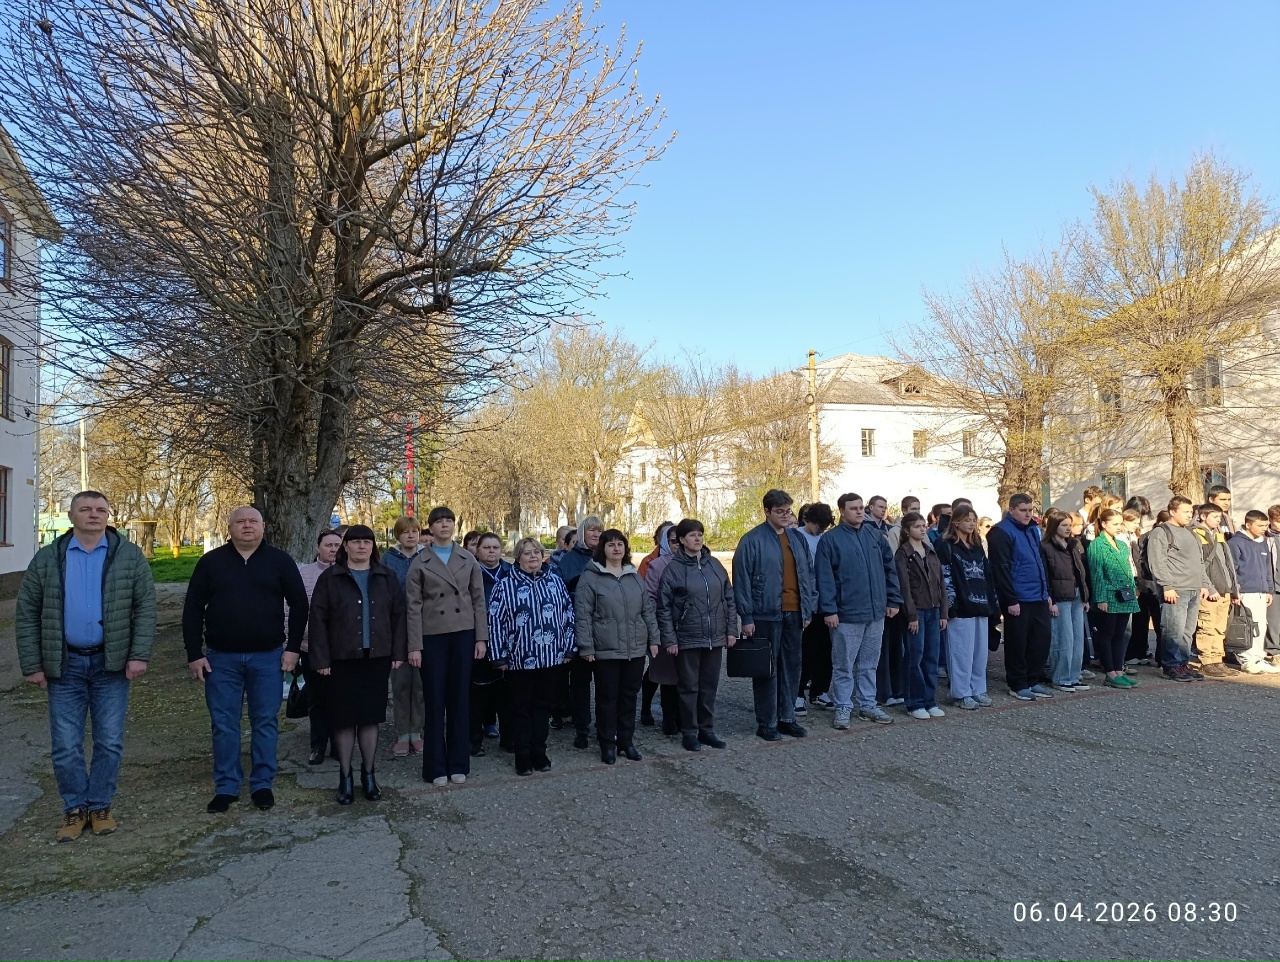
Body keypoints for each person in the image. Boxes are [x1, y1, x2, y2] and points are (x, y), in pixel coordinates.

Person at [16, 490, 156, 841]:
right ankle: (75, 809)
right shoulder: (48, 558)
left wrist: (138, 654)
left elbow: (145, 607)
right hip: (65, 664)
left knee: (109, 741)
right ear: (71, 516)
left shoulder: (129, 556)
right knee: (66, 744)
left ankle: (100, 806)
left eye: (100, 510)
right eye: (85, 509)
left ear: (108, 516)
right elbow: (27, 613)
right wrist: (32, 664)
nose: (94, 514)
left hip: (111, 663)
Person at [185, 506, 308, 813]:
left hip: (268, 657)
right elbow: (193, 608)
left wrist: (293, 648)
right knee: (224, 723)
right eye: (240, 521)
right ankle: (226, 786)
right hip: (220, 659)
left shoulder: (279, 561)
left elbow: (299, 603)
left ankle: (262, 783)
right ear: (230, 528)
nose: (247, 526)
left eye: (253, 521)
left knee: (265, 720)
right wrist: (194, 653)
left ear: (263, 527)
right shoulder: (211, 562)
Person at [307, 526, 407, 804]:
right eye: (356, 542)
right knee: (343, 720)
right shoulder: (330, 578)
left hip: (376, 659)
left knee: (370, 718)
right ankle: (345, 776)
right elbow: (318, 620)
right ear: (346, 546)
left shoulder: (386, 576)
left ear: (373, 546)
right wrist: (321, 659)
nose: (361, 546)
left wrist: (398, 652)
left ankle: (369, 774)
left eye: (366, 542)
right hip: (341, 661)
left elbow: (398, 617)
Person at [406, 506, 489, 786]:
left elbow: (479, 600)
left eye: (449, 521)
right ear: (430, 528)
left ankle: (458, 763)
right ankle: (435, 767)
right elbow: (412, 607)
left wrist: (481, 638)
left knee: (459, 700)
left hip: (463, 634)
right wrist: (414, 646)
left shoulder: (468, 558)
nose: (444, 525)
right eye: (439, 521)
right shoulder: (420, 561)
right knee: (434, 700)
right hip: (432, 637)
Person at [732, 489, 817, 741]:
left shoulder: (797, 538)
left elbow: (808, 575)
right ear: (767, 511)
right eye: (779, 511)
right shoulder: (752, 540)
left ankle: (787, 718)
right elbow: (741, 579)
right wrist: (747, 617)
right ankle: (767, 722)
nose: (785, 515)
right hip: (765, 613)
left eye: (788, 511)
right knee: (767, 670)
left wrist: (808, 608)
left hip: (795, 612)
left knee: (792, 666)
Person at [487, 538, 577, 775]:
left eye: (537, 552)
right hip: (518, 660)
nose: (533, 556)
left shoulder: (555, 582)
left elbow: (568, 615)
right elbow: (495, 622)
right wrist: (498, 655)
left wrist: (569, 648)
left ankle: (540, 752)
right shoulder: (504, 586)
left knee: (543, 708)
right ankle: (522, 755)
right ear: (518, 558)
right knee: (520, 709)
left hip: (550, 658)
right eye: (527, 553)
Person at [813, 493, 901, 729]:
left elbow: (889, 569)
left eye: (861, 507)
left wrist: (893, 599)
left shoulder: (874, 535)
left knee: (869, 664)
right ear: (842, 511)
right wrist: (829, 610)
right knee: (843, 664)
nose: (860, 511)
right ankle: (843, 706)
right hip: (846, 615)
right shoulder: (830, 540)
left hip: (875, 612)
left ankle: (867, 705)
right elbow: (824, 577)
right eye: (854, 508)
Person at [574, 530, 660, 762]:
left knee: (629, 697)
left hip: (634, 649)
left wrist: (654, 639)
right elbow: (583, 615)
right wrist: (586, 647)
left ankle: (626, 741)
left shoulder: (634, 576)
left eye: (620, 544)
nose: (616, 548)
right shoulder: (590, 578)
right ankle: (607, 744)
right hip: (606, 649)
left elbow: (647, 610)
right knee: (607, 698)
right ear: (602, 549)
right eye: (611, 544)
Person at [656, 518, 738, 752]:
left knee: (709, 686)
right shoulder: (674, 569)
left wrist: (731, 630)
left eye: (700, 534)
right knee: (689, 687)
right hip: (687, 637)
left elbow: (729, 598)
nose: (697, 538)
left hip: (714, 637)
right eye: (692, 535)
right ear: (682, 540)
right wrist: (670, 639)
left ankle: (706, 730)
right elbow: (663, 607)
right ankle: (690, 732)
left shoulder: (714, 565)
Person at [986, 494, 1055, 701]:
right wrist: (1010, 599)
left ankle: (1033, 680)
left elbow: (1041, 562)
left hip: (1038, 596)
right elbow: (1001, 569)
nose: (1028, 514)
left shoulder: (1033, 529)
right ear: (1012, 510)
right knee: (1018, 643)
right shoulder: (1000, 532)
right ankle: (1017, 683)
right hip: (1018, 598)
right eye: (1023, 510)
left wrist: (1047, 593)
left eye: (1030, 510)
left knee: (1040, 641)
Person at [935, 504, 996, 709]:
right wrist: (950, 605)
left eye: (973, 520)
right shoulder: (945, 545)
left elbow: (987, 575)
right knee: (961, 652)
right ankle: (960, 692)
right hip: (960, 607)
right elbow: (945, 576)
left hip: (980, 605)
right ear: (956, 522)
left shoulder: (977, 546)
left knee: (979, 653)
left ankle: (978, 688)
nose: (971, 523)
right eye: (967, 520)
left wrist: (992, 602)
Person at [551, 516, 603, 748]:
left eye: (599, 530)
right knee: (580, 683)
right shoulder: (569, 560)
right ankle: (581, 728)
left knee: (606, 684)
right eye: (591, 530)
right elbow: (559, 598)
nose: (596, 534)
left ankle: (605, 727)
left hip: (606, 630)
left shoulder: (608, 557)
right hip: (579, 629)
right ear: (582, 533)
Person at [293, 529, 342, 765]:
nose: (333, 549)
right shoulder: (305, 575)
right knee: (317, 698)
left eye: (337, 545)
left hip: (344, 648)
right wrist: (292, 643)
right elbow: (292, 610)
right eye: (328, 545)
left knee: (340, 697)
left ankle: (340, 744)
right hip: (311, 646)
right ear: (318, 548)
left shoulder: (350, 572)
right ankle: (318, 745)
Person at [1147, 497, 1208, 682]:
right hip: (1176, 589)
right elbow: (1157, 562)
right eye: (1185, 512)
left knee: (1187, 631)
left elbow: (1199, 562)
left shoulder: (1191, 533)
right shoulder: (1161, 532)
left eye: (1191, 512)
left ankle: (1182, 663)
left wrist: (1204, 584)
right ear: (1172, 512)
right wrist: (1167, 586)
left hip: (1193, 588)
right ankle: (1171, 665)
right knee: (1173, 629)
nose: (1190, 515)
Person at [894, 511, 948, 719]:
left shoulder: (930, 551)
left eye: (924, 525)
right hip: (917, 612)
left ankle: (929, 700)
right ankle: (914, 702)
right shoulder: (903, 554)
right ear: (907, 530)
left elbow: (941, 584)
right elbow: (904, 588)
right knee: (914, 657)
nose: (922, 529)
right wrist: (912, 615)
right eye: (917, 526)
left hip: (934, 610)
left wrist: (943, 612)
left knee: (931, 657)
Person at [381, 516, 426, 758]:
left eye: (415, 531)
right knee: (400, 684)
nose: (411, 536)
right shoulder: (388, 560)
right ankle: (402, 733)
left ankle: (416, 732)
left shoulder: (427, 557)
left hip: (424, 628)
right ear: (397, 535)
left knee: (420, 685)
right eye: (406, 532)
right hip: (396, 629)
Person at [1085, 509, 1140, 689]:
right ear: (1104, 524)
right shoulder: (1097, 545)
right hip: (1108, 595)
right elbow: (1097, 574)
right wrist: (1101, 598)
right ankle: (1110, 672)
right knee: (1107, 634)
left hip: (1125, 595)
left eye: (1120, 523)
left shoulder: (1122, 544)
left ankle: (1119, 670)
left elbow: (1128, 569)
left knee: (1120, 635)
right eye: (1114, 524)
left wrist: (1133, 588)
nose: (1118, 527)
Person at [1040, 510, 1091, 692]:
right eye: (1064, 525)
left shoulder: (1073, 544)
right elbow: (1045, 575)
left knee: (1077, 639)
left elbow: (1080, 572)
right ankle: (1061, 677)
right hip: (1060, 597)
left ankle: (1074, 676)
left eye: (1070, 525)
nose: (1068, 528)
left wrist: (1085, 597)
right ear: (1054, 526)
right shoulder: (1045, 547)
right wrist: (1051, 600)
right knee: (1063, 639)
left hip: (1077, 595)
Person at [472, 532, 513, 754]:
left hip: (508, 640)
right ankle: (474, 738)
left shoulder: (511, 572)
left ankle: (507, 737)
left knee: (505, 691)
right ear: (477, 550)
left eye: (495, 547)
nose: (491, 551)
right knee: (478, 690)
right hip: (480, 637)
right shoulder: (470, 572)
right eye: (486, 547)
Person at [1227, 511, 1280, 674]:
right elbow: (1232, 569)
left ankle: (1258, 657)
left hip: (1261, 591)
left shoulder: (1262, 542)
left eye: (1265, 525)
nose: (1264, 528)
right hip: (1245, 592)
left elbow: (1267, 568)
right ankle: (1246, 659)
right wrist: (1235, 591)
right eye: (1260, 525)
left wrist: (1269, 590)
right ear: (1248, 525)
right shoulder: (1236, 542)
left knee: (1260, 626)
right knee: (1246, 626)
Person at [640, 523, 681, 734]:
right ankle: (665, 716)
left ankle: (681, 716)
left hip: (687, 628)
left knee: (683, 674)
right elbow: (649, 598)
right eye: (673, 541)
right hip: (663, 627)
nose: (678, 544)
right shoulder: (653, 564)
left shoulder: (695, 561)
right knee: (664, 673)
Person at [1191, 504, 1240, 677]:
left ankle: (1218, 659)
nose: (1218, 520)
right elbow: (1198, 564)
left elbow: (1228, 563)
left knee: (1220, 627)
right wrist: (1208, 587)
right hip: (1210, 589)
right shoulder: (1195, 534)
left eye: (1220, 517)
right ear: (1203, 516)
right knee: (1207, 625)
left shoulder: (1218, 535)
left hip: (1224, 588)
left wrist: (1234, 589)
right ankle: (1207, 661)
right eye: (1214, 517)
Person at [796, 503, 836, 712]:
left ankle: (820, 691)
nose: (820, 529)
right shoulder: (796, 537)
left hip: (825, 603)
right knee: (805, 651)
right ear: (807, 520)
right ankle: (797, 693)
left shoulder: (826, 538)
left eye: (824, 526)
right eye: (818, 525)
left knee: (825, 650)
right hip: (806, 603)